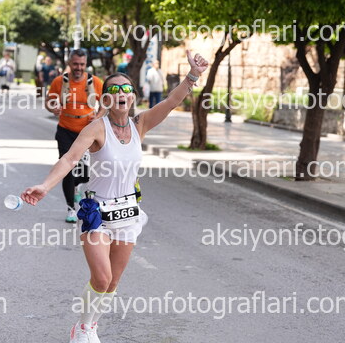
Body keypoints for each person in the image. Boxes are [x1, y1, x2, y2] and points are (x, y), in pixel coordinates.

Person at [21, 51, 208, 343]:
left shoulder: (140, 124)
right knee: (102, 277)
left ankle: (92, 325)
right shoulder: (97, 128)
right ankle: (82, 327)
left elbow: (171, 102)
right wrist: (45, 186)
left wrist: (193, 74)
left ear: (133, 96)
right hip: (97, 212)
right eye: (114, 90)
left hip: (127, 212)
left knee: (112, 283)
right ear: (106, 99)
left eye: (126, 89)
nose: (121, 94)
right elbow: (70, 159)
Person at [44, 49, 104, 223]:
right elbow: (48, 101)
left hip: (86, 133)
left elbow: (105, 104)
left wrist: (97, 117)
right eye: (75, 64)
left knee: (85, 174)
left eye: (82, 64)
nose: (79, 67)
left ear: (86, 64)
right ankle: (71, 208)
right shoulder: (59, 82)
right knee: (67, 169)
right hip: (65, 130)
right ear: (69, 63)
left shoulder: (95, 82)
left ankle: (77, 186)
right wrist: (53, 108)